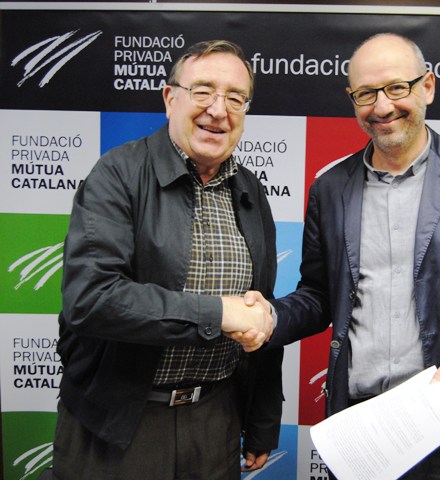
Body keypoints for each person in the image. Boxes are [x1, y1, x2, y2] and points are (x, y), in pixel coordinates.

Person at [243, 33, 440, 479]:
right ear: (352, 99)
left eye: (396, 88)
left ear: (427, 86)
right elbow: (318, 295)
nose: (382, 106)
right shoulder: (329, 189)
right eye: (366, 93)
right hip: (363, 430)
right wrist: (271, 318)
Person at [52, 40, 283, 480]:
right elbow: (90, 298)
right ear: (170, 98)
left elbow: (261, 306)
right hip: (118, 427)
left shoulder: (252, 190)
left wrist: (261, 420)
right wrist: (217, 313)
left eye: (235, 98)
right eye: (203, 91)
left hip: (215, 422)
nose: (218, 110)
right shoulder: (118, 173)